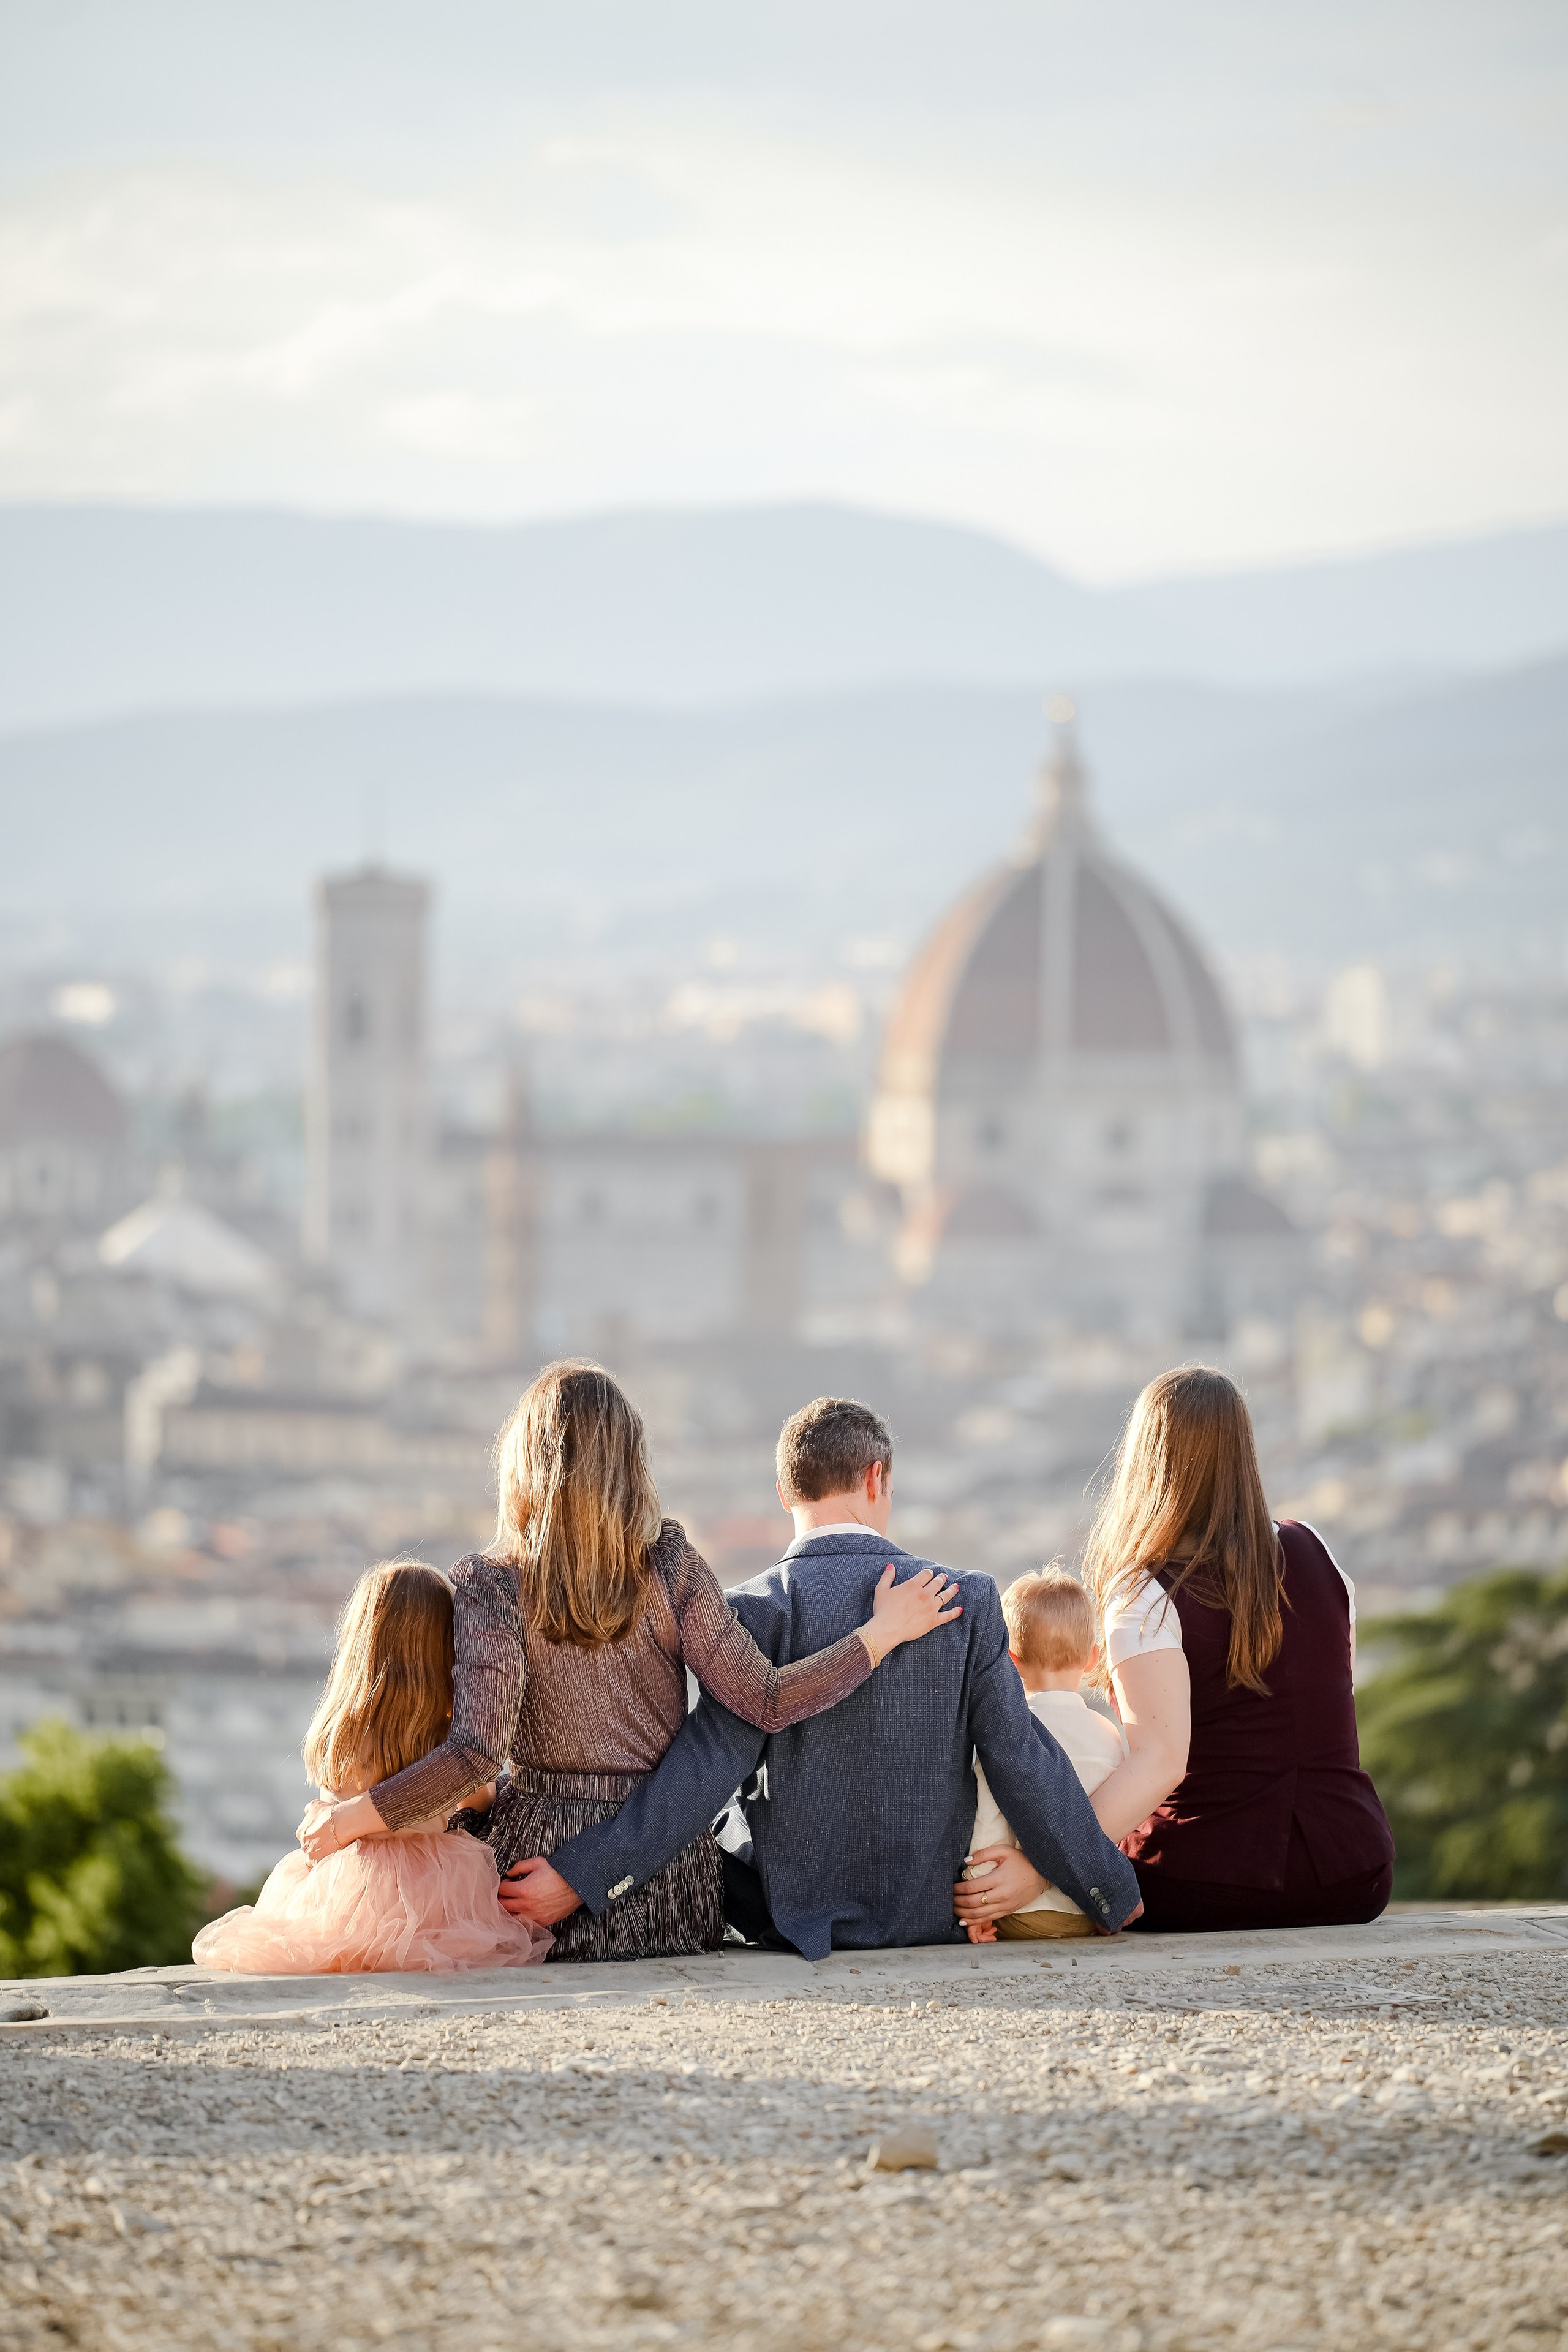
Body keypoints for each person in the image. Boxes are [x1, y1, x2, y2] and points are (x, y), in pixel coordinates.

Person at [293, 1363, 956, 1962]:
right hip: (669, 1890)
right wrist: (877, 1636)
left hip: (534, 1878)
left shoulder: (492, 1584)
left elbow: (474, 1754)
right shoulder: (671, 1563)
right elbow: (768, 1700)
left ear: (523, 1463)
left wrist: (350, 1818)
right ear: (629, 1461)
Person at [497, 1395, 1143, 1958]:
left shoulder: (752, 1611)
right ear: (876, 1477)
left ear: (785, 1494)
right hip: (926, 1913)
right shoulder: (964, 1600)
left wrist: (585, 1877)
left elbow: (703, 1769)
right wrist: (1110, 1889)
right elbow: (1021, 1763)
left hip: (790, 1920)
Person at [954, 1365, 1395, 1939]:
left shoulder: (1146, 1591)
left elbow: (1160, 1763)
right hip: (1355, 1876)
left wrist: (1041, 1867)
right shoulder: (1319, 1553)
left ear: (1147, 1458)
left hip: (1210, 1882)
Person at [195, 1561, 552, 1974]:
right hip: (433, 1906)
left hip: (347, 1897)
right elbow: (480, 1800)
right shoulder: (443, 1744)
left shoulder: (339, 1732)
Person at [962, 1565, 1125, 1943]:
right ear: (1092, 1658)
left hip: (1022, 1914)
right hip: (1089, 1911)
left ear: (1010, 1660)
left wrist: (980, 1902)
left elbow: (987, 1822)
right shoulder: (1109, 1736)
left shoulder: (1010, 1733)